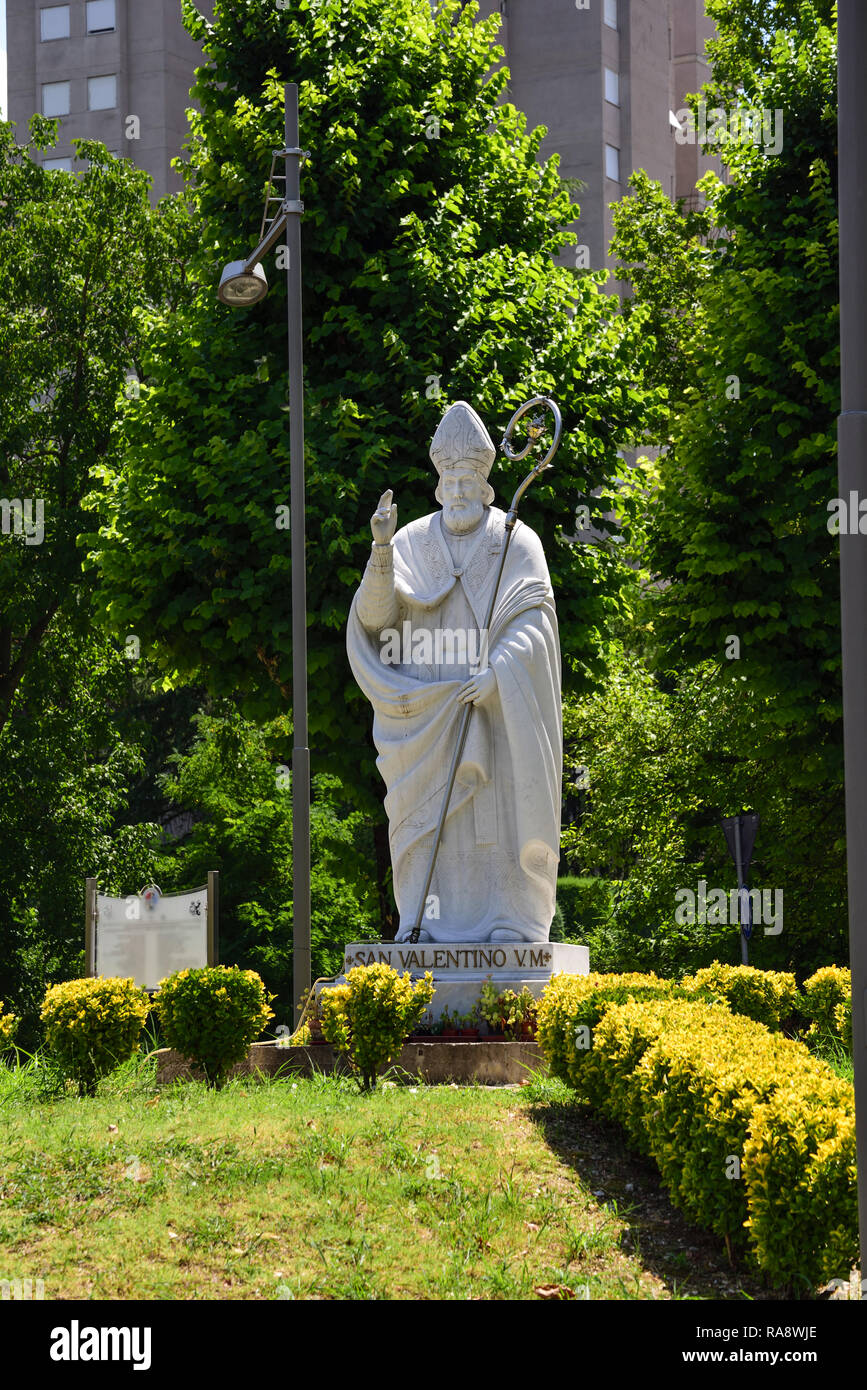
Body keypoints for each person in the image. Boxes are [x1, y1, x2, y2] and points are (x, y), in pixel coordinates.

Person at [347, 400, 562, 943]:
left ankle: (507, 922)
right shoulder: (411, 543)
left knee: (494, 820)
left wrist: (499, 675)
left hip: (494, 710)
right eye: (451, 480)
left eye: (469, 479)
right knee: (431, 826)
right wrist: (379, 550)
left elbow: (535, 625)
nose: (461, 490)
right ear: (439, 485)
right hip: (426, 718)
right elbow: (376, 621)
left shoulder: (517, 541)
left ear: (486, 486)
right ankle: (426, 924)